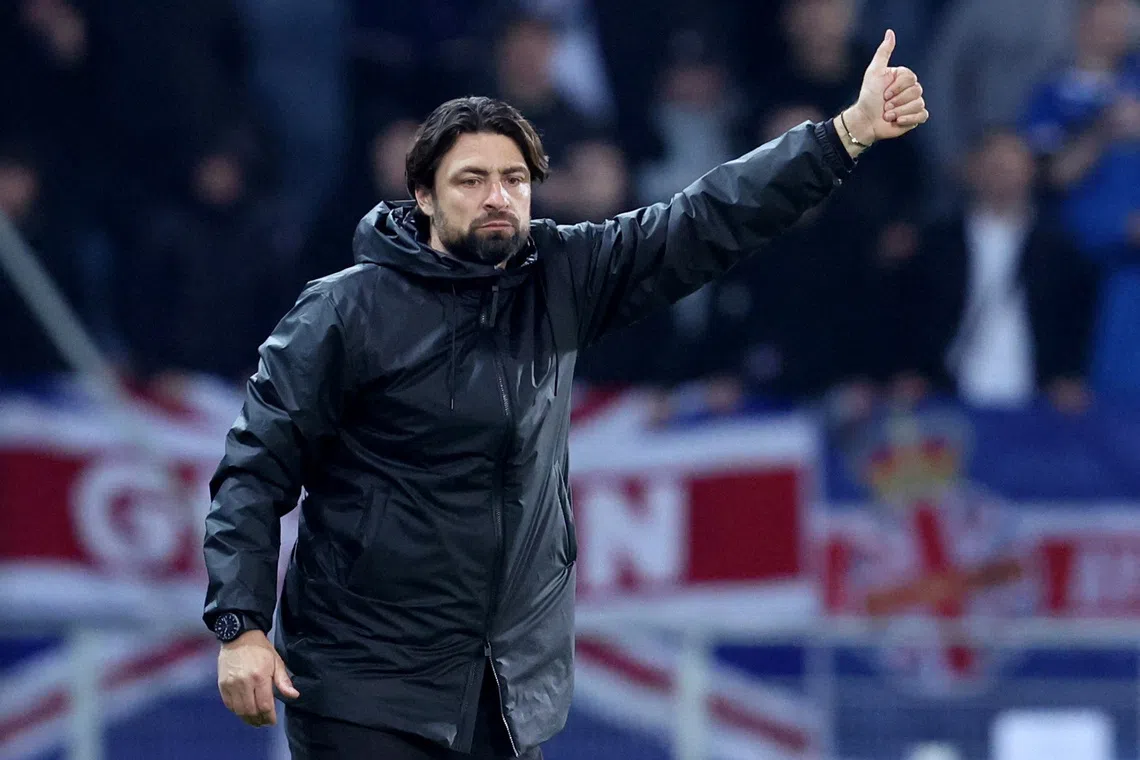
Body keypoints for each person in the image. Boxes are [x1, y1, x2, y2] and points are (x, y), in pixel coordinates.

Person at [202, 30, 928, 760]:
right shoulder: (343, 310)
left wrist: (843, 136)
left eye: (514, 180)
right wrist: (241, 626)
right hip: (363, 687)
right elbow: (254, 471)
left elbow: (705, 219)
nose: (498, 198)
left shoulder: (561, 275)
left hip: (504, 692)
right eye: (471, 179)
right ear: (421, 194)